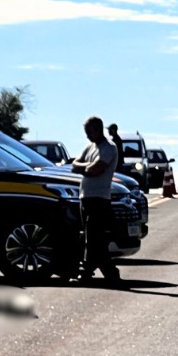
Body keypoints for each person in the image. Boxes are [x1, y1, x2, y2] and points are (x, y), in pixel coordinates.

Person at [72, 116, 121, 283]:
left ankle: (86, 272)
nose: (87, 136)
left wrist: (84, 168)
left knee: (93, 237)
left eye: (90, 132)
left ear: (99, 130)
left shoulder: (109, 148)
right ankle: (111, 274)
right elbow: (74, 165)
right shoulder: (89, 147)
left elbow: (96, 169)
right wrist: (85, 168)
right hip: (85, 196)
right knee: (93, 237)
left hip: (99, 199)